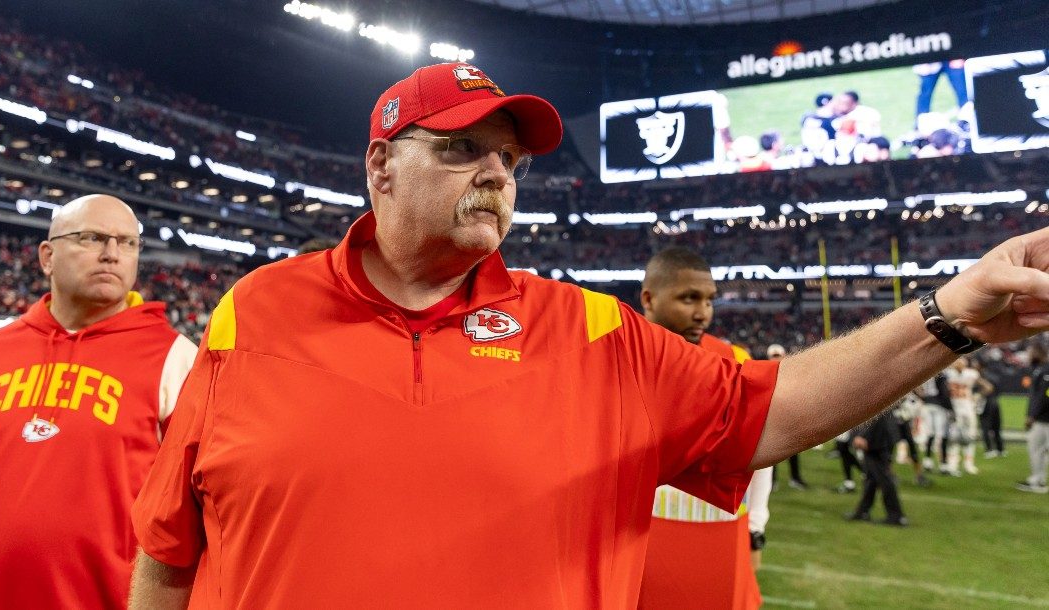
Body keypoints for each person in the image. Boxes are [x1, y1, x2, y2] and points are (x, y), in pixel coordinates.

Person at [128, 62, 1049, 608]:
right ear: (380, 164)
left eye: (509, 159)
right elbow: (169, 550)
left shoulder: (594, 331)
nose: (494, 172)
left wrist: (949, 313)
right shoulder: (252, 311)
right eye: (460, 149)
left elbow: (770, 411)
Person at [0, 195, 197, 609]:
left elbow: (195, 514)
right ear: (47, 256)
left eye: (127, 243)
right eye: (92, 238)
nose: (112, 254)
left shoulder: (177, 359)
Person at [637, 247, 770, 609]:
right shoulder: (616, 354)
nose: (703, 313)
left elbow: (761, 453)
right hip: (636, 533)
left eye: (709, 300)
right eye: (689, 299)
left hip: (720, 534)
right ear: (649, 298)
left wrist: (757, 525)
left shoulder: (736, 362)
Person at [845, 405, 908, 527]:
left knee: (883, 478)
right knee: (871, 478)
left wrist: (863, 437)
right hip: (878, 438)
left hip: (878, 440)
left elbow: (878, 413)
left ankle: (896, 516)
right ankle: (863, 511)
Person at [767, 344, 808, 490]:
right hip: (770, 417)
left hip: (788, 416)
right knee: (771, 452)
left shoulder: (791, 373)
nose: (776, 359)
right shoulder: (765, 373)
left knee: (793, 450)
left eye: (778, 356)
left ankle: (795, 478)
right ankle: (771, 481)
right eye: (774, 356)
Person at [944, 356, 993, 475]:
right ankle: (953, 463)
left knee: (970, 437)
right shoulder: (948, 373)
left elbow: (988, 387)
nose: (959, 365)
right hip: (954, 410)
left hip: (968, 409)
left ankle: (968, 463)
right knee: (953, 438)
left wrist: (978, 396)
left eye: (961, 363)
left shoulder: (971, 374)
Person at [1017, 345, 1049, 493]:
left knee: (1036, 449)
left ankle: (1038, 481)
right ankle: (1038, 478)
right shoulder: (1039, 369)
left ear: (1038, 352)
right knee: (1039, 450)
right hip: (1041, 417)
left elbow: (1044, 396)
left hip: (1043, 419)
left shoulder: (1045, 370)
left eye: (1031, 352)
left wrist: (1033, 415)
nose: (1029, 356)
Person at [916, 371, 953, 474]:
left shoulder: (926, 373)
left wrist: (923, 398)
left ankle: (928, 461)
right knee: (942, 435)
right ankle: (943, 464)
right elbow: (944, 392)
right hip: (938, 406)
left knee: (930, 434)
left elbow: (917, 388)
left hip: (927, 405)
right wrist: (950, 408)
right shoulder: (941, 375)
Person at [972, 357, 1005, 458]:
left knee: (985, 427)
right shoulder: (993, 375)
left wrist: (979, 395)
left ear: (980, 365)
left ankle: (989, 449)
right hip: (995, 403)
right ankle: (1000, 449)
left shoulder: (979, 376)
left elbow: (989, 389)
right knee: (997, 428)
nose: (974, 365)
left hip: (986, 404)